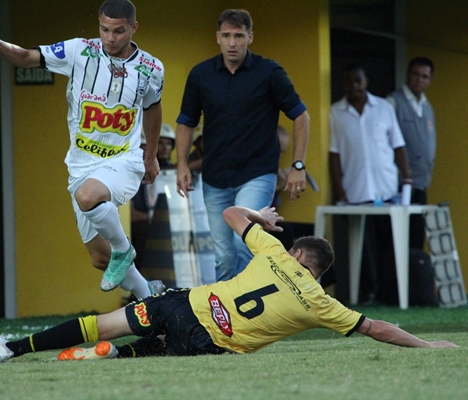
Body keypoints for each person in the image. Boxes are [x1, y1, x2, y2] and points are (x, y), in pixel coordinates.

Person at [0, 205, 457, 363]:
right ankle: (121, 354)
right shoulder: (320, 304)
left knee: (102, 323)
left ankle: (13, 348)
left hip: (184, 305)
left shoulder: (274, 250)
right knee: (151, 352)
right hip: (208, 343)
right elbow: (377, 328)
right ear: (316, 272)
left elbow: (231, 213)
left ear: (297, 253)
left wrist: (263, 218)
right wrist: (427, 345)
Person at [0, 0, 165, 299]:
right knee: (100, 258)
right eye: (104, 29)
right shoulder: (79, 51)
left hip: (123, 160)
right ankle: (151, 298)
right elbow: (25, 58)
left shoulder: (151, 68)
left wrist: (150, 156)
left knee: (89, 197)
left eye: (118, 31)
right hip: (80, 166)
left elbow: (153, 109)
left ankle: (124, 249)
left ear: (133, 28)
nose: (110, 38)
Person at [175, 9, 311, 282]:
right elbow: (186, 122)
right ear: (217, 38)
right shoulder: (201, 75)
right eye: (226, 36)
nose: (232, 43)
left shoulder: (269, 72)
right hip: (214, 179)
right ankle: (229, 321)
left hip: (257, 174)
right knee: (224, 257)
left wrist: (298, 165)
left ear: (250, 37)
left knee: (244, 243)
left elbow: (301, 115)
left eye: (238, 36)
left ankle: (250, 315)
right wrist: (181, 165)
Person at [329, 61, 412, 305]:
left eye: (358, 80)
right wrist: (339, 187)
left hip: (386, 188)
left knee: (388, 243)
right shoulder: (336, 112)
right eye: (349, 81)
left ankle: (390, 294)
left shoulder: (384, 107)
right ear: (343, 84)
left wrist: (406, 177)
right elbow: (333, 153)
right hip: (355, 190)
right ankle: (368, 292)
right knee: (361, 247)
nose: (354, 86)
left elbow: (397, 145)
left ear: (365, 82)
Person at [387, 57, 436, 249]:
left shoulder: (427, 106)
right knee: (398, 240)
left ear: (429, 80)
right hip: (401, 185)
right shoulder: (393, 101)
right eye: (415, 74)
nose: (419, 80)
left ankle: (414, 279)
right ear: (408, 74)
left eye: (424, 76)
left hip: (421, 182)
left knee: (417, 237)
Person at [130, 123, 177, 268]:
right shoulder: (131, 175)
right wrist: (155, 218)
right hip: (146, 227)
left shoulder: (173, 173)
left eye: (169, 144)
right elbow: (130, 215)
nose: (164, 148)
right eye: (140, 149)